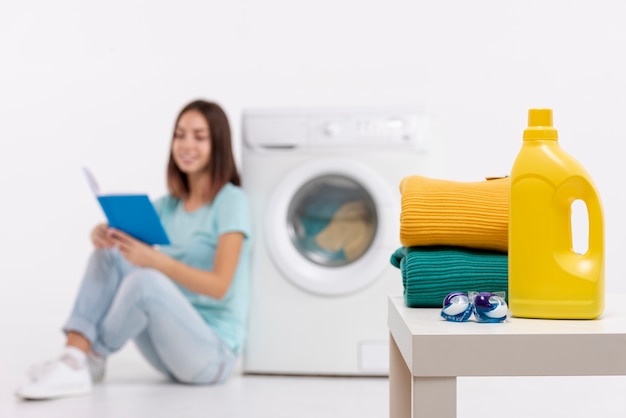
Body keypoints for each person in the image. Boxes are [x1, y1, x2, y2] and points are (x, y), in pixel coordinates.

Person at [16, 100, 253, 400]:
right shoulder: (168, 206)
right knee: (111, 254)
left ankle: (89, 358)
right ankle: (75, 355)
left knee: (146, 281)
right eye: (179, 135)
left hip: (211, 356)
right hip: (169, 351)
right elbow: (119, 253)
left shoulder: (232, 202)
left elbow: (220, 286)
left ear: (217, 144)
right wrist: (102, 234)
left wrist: (156, 262)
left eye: (199, 136)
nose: (186, 144)